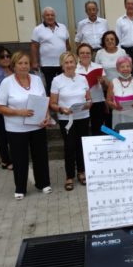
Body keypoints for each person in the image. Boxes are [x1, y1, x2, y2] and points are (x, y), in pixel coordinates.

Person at [0, 51, 52, 200]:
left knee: (40, 156)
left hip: (37, 126)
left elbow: (43, 100)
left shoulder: (37, 79)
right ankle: (20, 188)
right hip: (16, 128)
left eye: (26, 63)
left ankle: (43, 183)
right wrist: (19, 112)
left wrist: (47, 116)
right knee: (20, 159)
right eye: (20, 63)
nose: (24, 66)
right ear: (13, 65)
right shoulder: (7, 83)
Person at [50, 52, 92, 190]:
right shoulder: (57, 81)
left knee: (81, 145)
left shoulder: (82, 79)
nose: (69, 65)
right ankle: (69, 176)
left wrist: (87, 104)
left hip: (83, 116)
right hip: (66, 118)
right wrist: (62, 109)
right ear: (62, 65)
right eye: (66, 63)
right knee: (69, 146)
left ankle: (81, 172)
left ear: (76, 63)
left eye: (71, 62)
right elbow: (53, 104)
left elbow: (89, 99)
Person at [30, 6, 71, 94]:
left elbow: (67, 44)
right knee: (51, 87)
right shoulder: (37, 29)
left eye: (52, 15)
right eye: (47, 15)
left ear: (55, 16)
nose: (50, 17)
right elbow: (34, 46)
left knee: (64, 85)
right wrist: (34, 62)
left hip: (62, 63)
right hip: (47, 64)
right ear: (43, 17)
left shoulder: (63, 27)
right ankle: (52, 105)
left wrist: (69, 58)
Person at [76, 43, 108, 135]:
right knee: (82, 129)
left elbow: (106, 86)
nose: (85, 55)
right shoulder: (75, 68)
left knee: (98, 128)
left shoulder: (98, 67)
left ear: (91, 54)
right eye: (82, 53)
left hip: (98, 101)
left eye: (87, 53)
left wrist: (103, 82)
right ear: (78, 55)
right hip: (82, 102)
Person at [106, 56, 133, 128]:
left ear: (131, 68)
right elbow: (108, 100)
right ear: (118, 69)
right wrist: (114, 106)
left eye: (128, 66)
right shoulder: (113, 82)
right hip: (120, 117)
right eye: (122, 67)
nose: (125, 68)